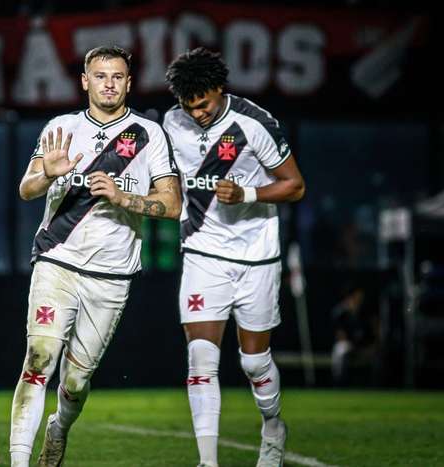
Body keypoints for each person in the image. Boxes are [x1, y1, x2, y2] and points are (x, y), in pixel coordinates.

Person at [11, 46, 182, 467]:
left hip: (111, 274)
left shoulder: (148, 134)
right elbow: (26, 189)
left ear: (129, 81)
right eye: (101, 76)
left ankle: (59, 429)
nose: (109, 83)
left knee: (76, 380)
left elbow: (173, 205)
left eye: (118, 76)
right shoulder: (62, 127)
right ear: (84, 81)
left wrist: (124, 197)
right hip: (57, 258)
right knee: (39, 358)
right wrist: (45, 173)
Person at [163, 48, 306, 467]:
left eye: (203, 104)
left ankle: (274, 425)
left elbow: (295, 186)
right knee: (201, 358)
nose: (197, 113)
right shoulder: (173, 123)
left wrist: (248, 193)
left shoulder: (254, 123)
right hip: (203, 251)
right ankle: (207, 462)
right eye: (189, 107)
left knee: (254, 361)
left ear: (219, 88)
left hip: (257, 254)